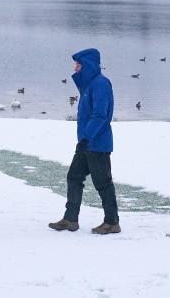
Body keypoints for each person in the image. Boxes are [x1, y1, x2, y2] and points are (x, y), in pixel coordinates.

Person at [49, 48, 120, 234]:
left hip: (97, 144)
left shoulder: (101, 84)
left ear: (87, 65)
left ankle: (112, 222)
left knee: (103, 183)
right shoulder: (88, 85)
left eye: (78, 65)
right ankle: (70, 219)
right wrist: (83, 140)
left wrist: (87, 138)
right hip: (85, 143)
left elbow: (100, 115)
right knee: (73, 177)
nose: (75, 68)